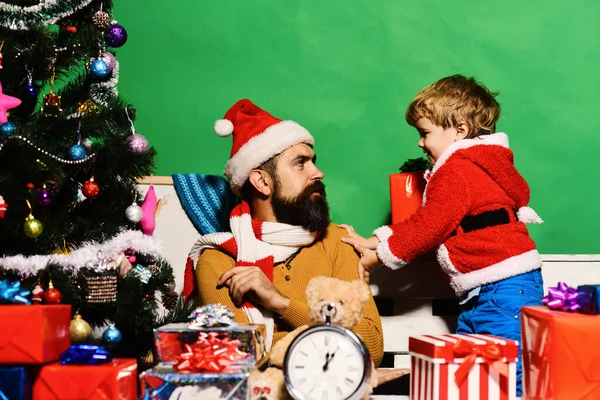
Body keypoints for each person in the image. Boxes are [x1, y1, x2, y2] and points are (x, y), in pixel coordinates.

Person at [341, 75, 544, 396]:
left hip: (502, 289)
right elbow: (433, 221)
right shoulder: (477, 164)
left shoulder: (457, 170)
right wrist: (376, 240)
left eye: (425, 133)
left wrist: (378, 255)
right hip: (490, 290)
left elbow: (430, 225)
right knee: (472, 370)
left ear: (459, 130)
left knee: (507, 372)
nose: (420, 143)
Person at [187, 98, 384, 366]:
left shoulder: (337, 241)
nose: (318, 172)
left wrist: (280, 303)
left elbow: (370, 346)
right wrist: (331, 336)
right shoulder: (219, 260)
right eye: (301, 163)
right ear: (262, 182)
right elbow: (242, 358)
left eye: (313, 161)